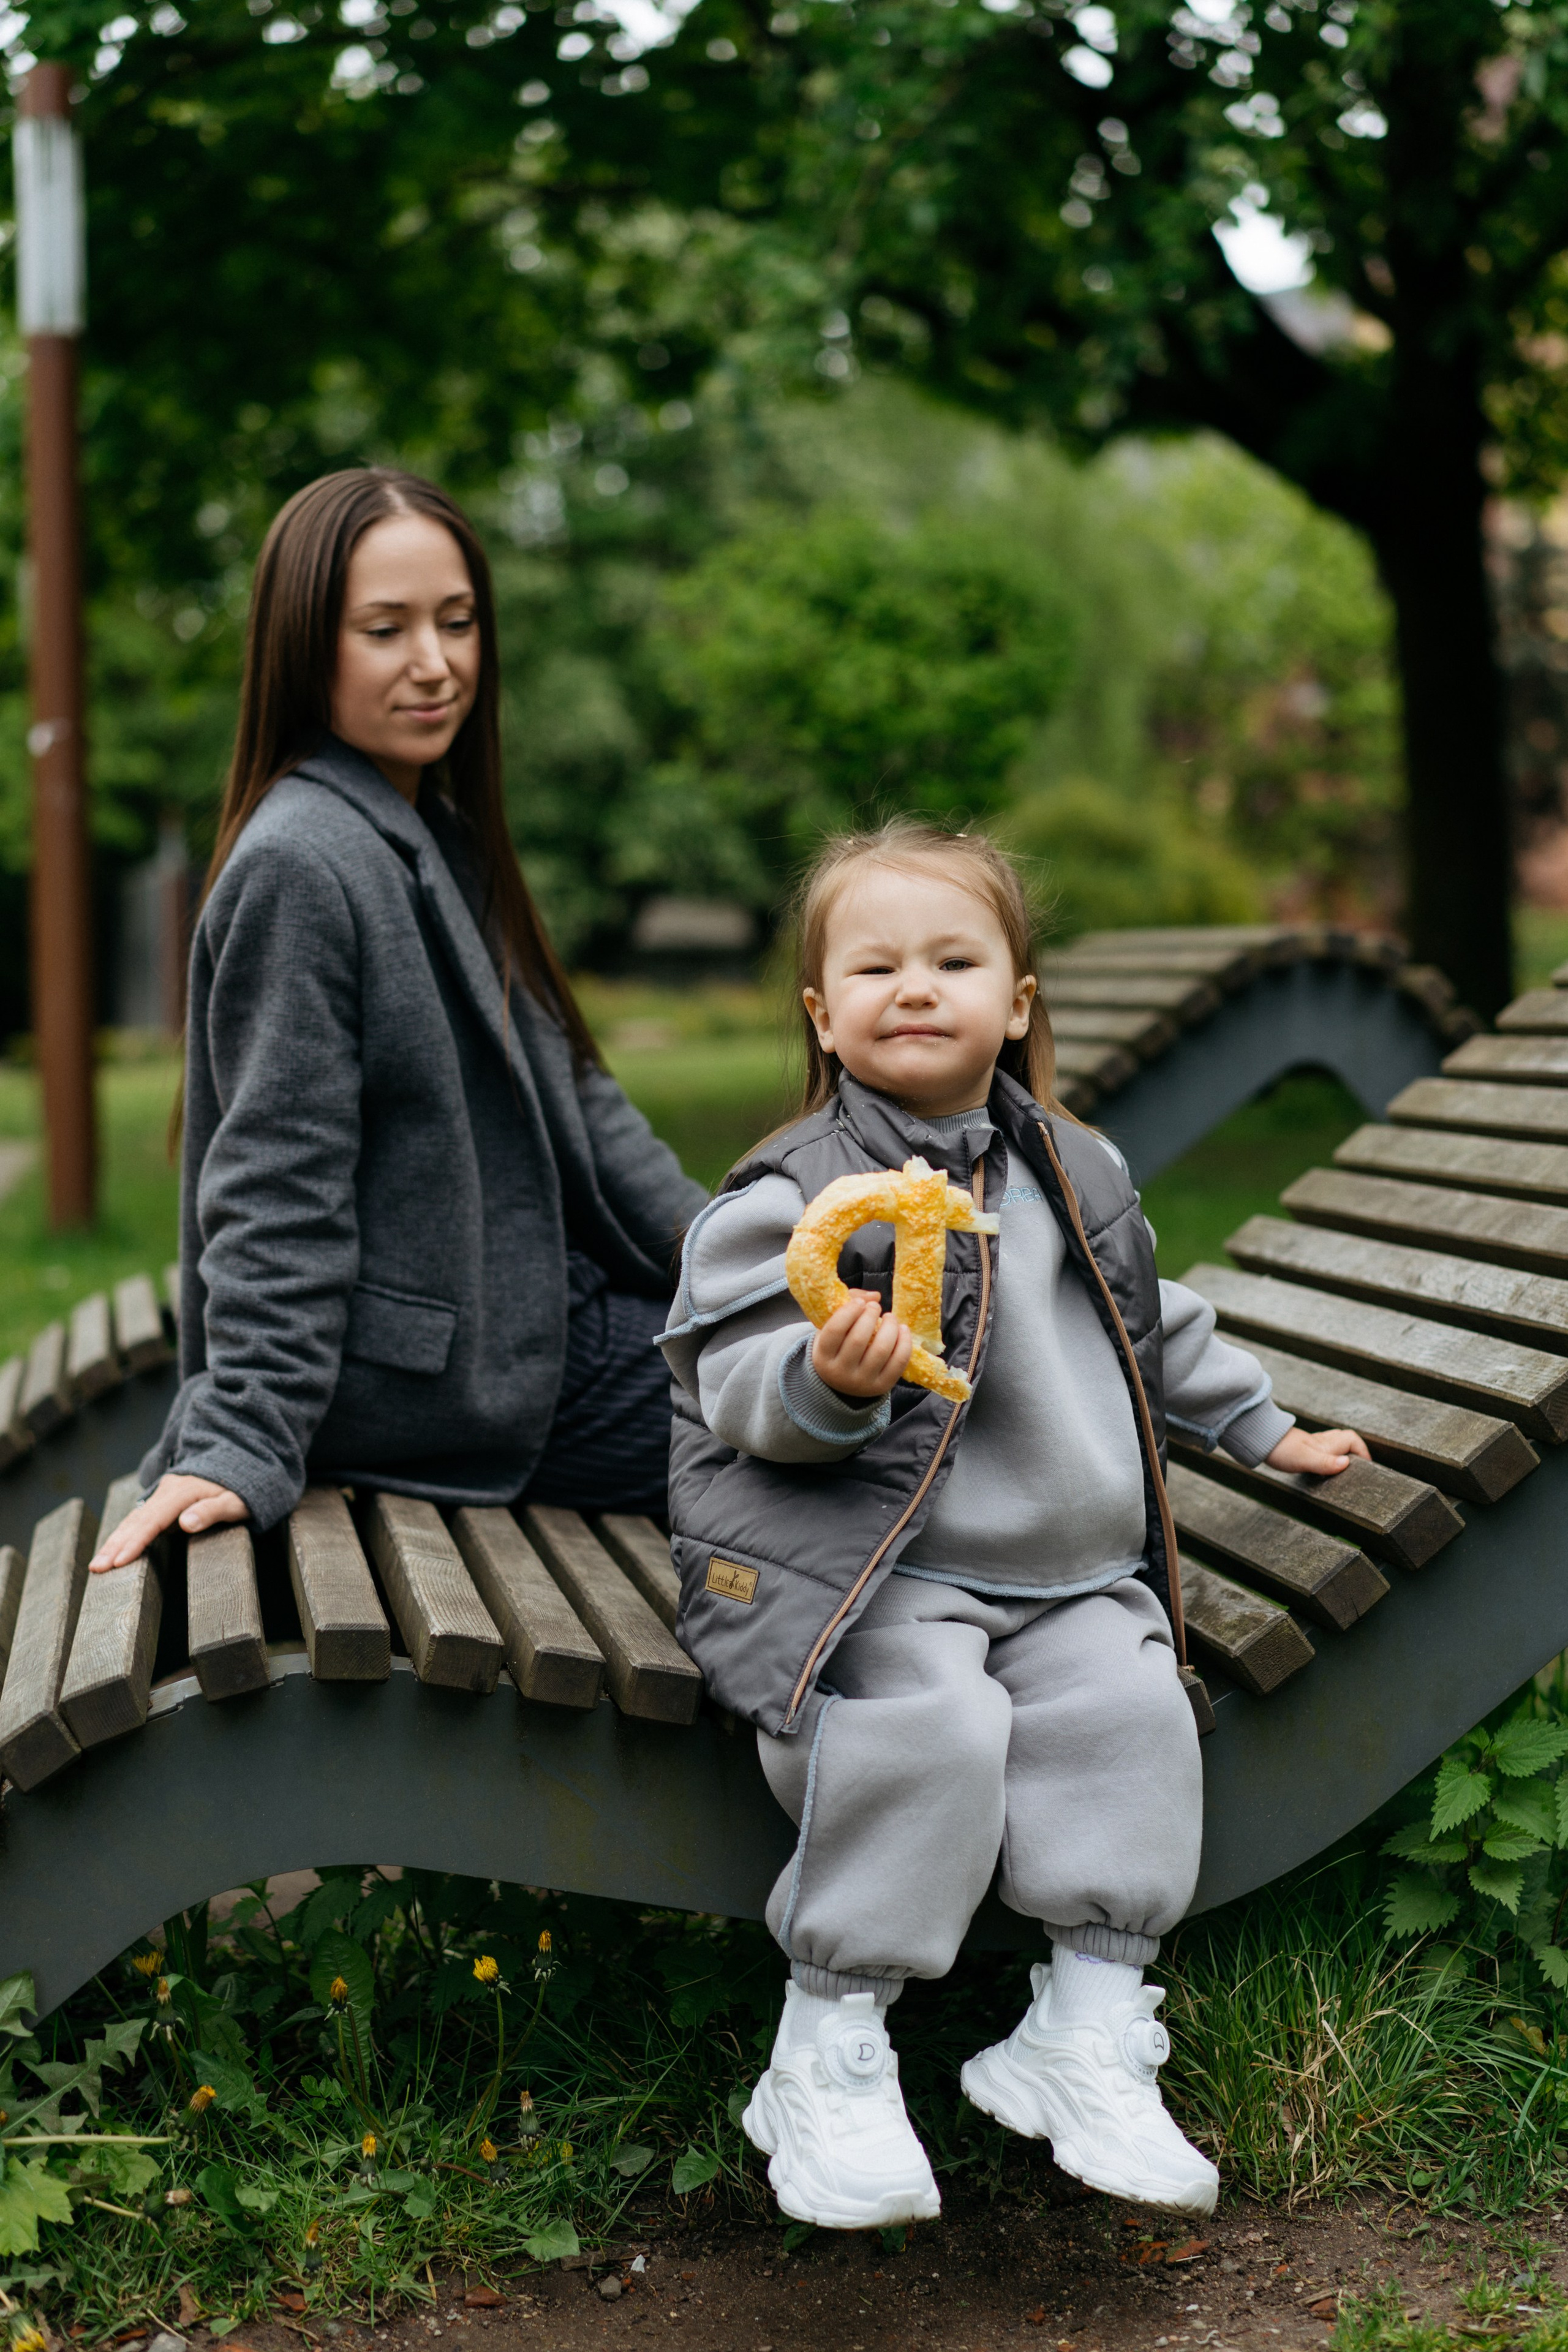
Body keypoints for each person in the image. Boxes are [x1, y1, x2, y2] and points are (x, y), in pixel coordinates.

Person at [658, 820, 1370, 2230]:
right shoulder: (792, 1195)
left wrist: (1257, 1427)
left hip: (1070, 1577)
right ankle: (829, 2044)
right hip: (878, 1574)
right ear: (819, 1012)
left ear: (1017, 1000)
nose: (912, 987)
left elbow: (1151, 1327)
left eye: (951, 959)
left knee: (1130, 1720)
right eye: (873, 966)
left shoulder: (1074, 1172)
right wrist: (825, 1382)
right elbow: (727, 1379)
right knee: (922, 1733)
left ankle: (1083, 2031)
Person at [92, 467, 705, 1577]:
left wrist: (749, 1258)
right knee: (875, 1423)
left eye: (458, 622)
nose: (436, 663)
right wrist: (244, 1435)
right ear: (303, 647)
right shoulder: (302, 866)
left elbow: (585, 1101)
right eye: (386, 629)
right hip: (462, 1383)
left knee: (882, 1358)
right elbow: (277, 1183)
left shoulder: (435, 834)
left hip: (537, 1323)